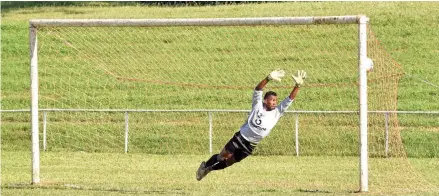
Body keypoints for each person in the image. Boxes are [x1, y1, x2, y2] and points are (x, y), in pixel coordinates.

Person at [196, 69, 307, 181]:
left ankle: (209, 170)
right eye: (272, 100)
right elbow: (258, 89)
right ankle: (205, 166)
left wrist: (297, 85)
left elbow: (290, 99)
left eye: (276, 100)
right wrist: (268, 78)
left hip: (250, 146)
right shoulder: (257, 105)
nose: (274, 102)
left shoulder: (277, 112)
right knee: (222, 156)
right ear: (264, 100)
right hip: (240, 137)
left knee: (229, 162)